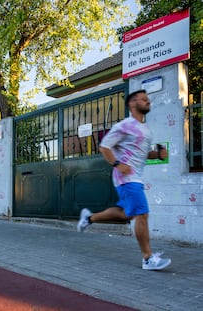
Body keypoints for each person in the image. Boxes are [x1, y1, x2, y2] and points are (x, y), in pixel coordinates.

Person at [77, 90, 171, 271]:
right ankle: (147, 258)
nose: (147, 101)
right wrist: (118, 164)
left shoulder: (145, 129)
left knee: (125, 214)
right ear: (132, 104)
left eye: (147, 99)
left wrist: (157, 155)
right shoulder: (124, 125)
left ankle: (88, 218)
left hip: (135, 177)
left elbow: (141, 155)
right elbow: (104, 147)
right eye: (143, 99)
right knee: (142, 213)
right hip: (126, 178)